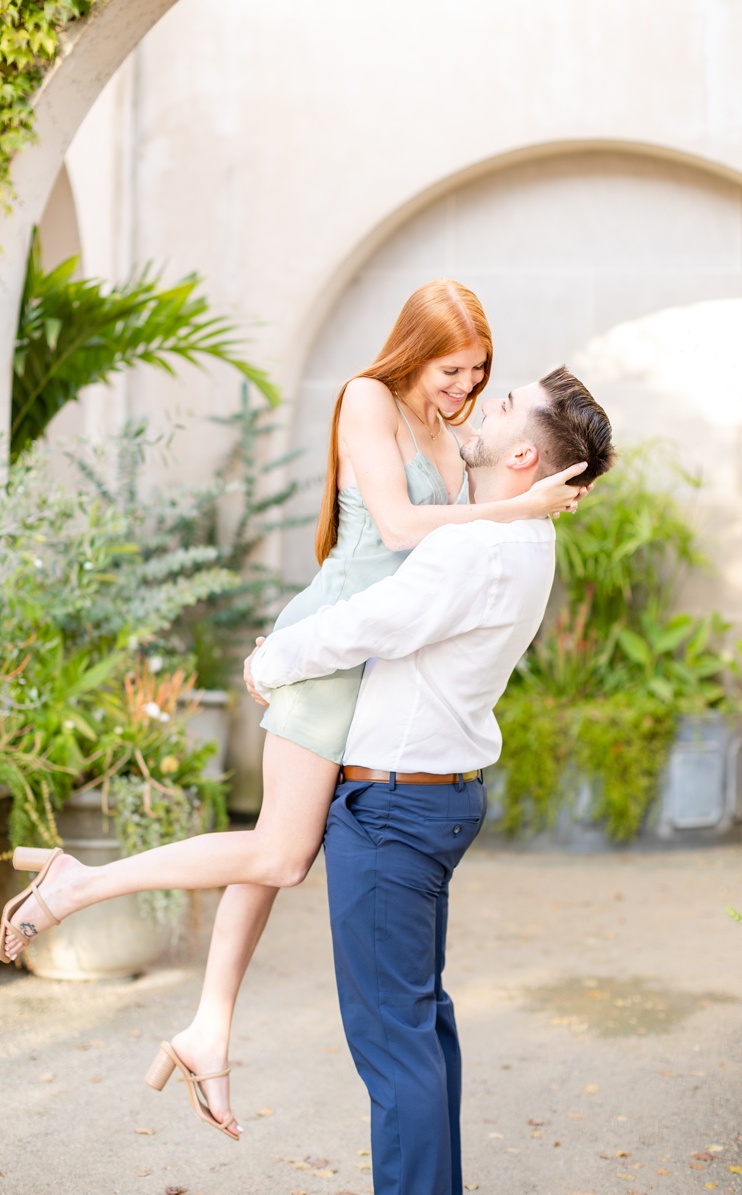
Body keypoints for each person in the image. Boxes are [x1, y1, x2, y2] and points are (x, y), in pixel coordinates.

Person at [0, 279, 588, 1135]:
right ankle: (79, 882)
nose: (464, 387)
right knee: (279, 854)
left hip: (372, 658)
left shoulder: (453, 432)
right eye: (452, 368)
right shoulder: (367, 398)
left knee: (278, 850)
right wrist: (518, 506)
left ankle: (209, 1025)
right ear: (415, 348)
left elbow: (466, 543)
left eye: (478, 371)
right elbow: (391, 525)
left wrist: (523, 498)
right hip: (330, 642)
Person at [241, 367, 615, 1195]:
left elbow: (374, 621)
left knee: (393, 1040)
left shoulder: (478, 544)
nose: (485, 401)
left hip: (394, 807)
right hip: (430, 798)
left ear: (523, 453)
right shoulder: (521, 535)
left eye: (506, 400)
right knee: (420, 1025)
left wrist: (272, 656)